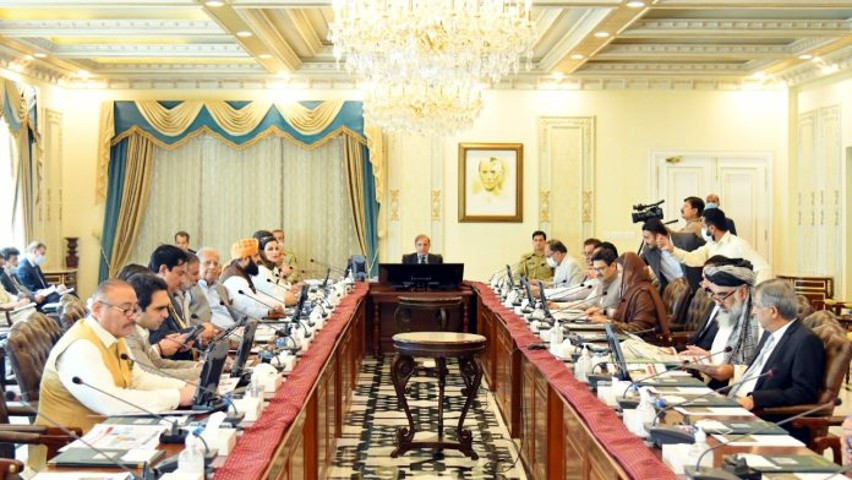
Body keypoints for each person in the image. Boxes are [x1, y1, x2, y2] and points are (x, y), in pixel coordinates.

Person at [34, 279, 196, 435]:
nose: (133, 317)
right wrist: (177, 397)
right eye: (126, 310)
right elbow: (110, 402)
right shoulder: (81, 346)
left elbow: (139, 380)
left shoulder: (114, 336)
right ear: (97, 309)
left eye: (135, 309)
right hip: (66, 446)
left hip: (108, 432)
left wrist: (186, 387)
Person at [728, 279, 825, 442]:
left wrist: (755, 399)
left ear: (773, 311)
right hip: (738, 405)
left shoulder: (805, 341)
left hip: (768, 419)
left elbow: (803, 392)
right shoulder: (770, 332)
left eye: (757, 307)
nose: (753, 312)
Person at [681, 258, 761, 389]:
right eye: (715, 295)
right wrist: (707, 355)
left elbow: (763, 368)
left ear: (743, 292)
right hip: (714, 383)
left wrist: (731, 371)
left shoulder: (759, 322)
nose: (718, 302)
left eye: (722, 295)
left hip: (738, 393)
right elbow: (724, 355)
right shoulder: (729, 314)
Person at [657, 208, 773, 284]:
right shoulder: (710, 246)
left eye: (703, 227)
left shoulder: (738, 244)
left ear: (711, 228)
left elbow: (764, 269)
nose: (701, 230)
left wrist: (756, 296)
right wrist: (672, 249)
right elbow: (692, 258)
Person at [124, 272, 202, 381]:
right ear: (136, 309)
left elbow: (159, 364)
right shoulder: (127, 335)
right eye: (159, 309)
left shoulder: (140, 329)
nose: (166, 314)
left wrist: (201, 366)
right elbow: (151, 375)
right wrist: (204, 372)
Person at [587, 252, 669, 338]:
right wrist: (604, 312)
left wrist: (607, 322)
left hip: (643, 343)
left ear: (631, 271)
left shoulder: (643, 293)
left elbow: (638, 329)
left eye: (622, 272)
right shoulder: (632, 289)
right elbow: (627, 315)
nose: (620, 275)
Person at [147, 245, 195, 361]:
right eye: (180, 273)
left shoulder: (172, 298)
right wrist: (194, 333)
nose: (183, 280)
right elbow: (159, 339)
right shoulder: (147, 295)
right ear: (163, 269)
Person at [221, 238, 286, 319]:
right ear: (245, 259)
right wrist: (277, 305)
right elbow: (252, 304)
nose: (258, 259)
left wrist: (270, 311)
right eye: (255, 256)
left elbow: (255, 297)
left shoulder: (241, 272)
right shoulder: (235, 279)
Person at [640, 217, 704, 293]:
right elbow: (635, 262)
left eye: (647, 238)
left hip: (697, 292)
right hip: (675, 295)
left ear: (658, 236)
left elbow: (708, 255)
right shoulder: (649, 251)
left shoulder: (689, 240)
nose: (645, 242)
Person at [193, 247, 240, 329]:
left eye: (216, 264)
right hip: (213, 335)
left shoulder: (222, 288)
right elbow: (190, 319)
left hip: (233, 330)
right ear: (197, 266)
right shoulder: (191, 287)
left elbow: (237, 312)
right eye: (207, 263)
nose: (212, 267)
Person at [16, 241, 67, 309]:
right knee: (61, 300)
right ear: (34, 252)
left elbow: (44, 285)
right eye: (42, 254)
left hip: (45, 295)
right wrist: (53, 291)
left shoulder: (35, 265)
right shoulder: (23, 268)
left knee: (69, 294)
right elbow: (32, 291)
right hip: (38, 301)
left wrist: (57, 287)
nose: (44, 257)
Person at [253, 236, 297, 306]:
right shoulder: (261, 271)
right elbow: (281, 296)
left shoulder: (272, 268)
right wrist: (284, 276)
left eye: (277, 248)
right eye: (270, 249)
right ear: (261, 253)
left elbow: (284, 293)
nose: (275, 252)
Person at [575, 246, 623, 311]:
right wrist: (559, 306)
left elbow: (625, 314)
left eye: (601, 269)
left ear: (613, 266)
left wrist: (602, 312)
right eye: (595, 269)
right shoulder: (602, 281)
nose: (597, 273)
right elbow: (587, 303)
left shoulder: (622, 283)